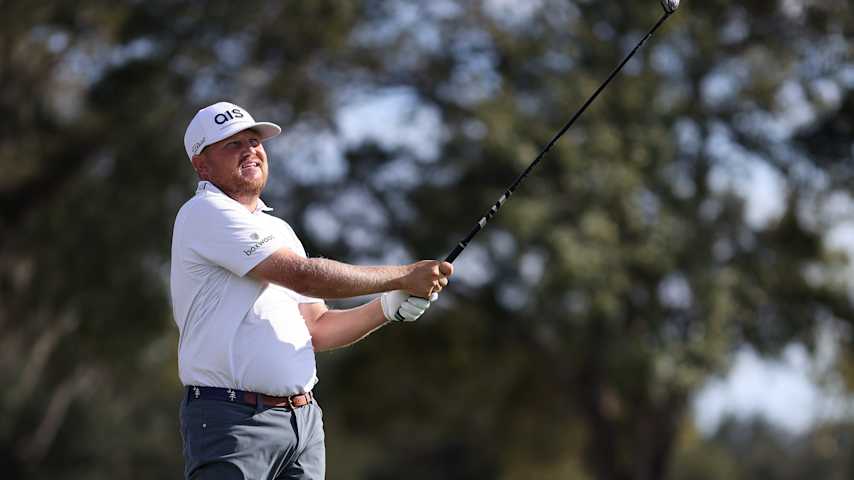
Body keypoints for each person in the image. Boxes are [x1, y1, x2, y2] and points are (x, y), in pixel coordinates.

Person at [170, 101, 453, 479]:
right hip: (233, 421)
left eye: (253, 141)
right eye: (232, 145)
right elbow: (305, 276)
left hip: (303, 423)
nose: (250, 150)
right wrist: (403, 276)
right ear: (201, 165)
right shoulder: (203, 212)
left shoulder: (279, 229)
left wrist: (387, 307)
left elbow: (317, 327)